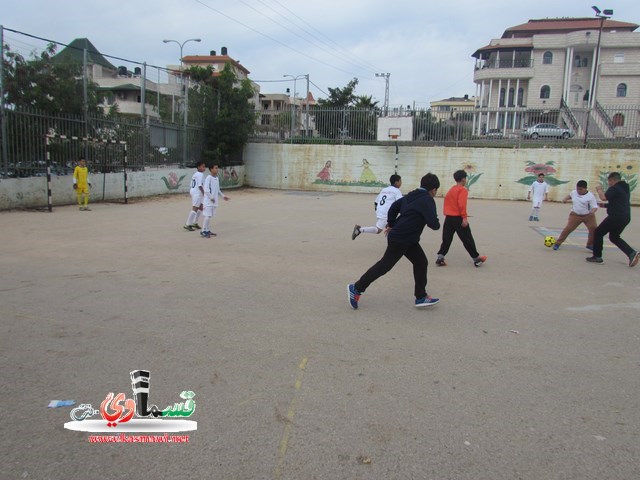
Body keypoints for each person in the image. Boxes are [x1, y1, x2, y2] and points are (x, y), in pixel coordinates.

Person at [347, 173, 441, 309]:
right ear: (433, 189)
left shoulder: (410, 195)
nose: (435, 193)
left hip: (408, 239)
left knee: (421, 262)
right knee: (384, 266)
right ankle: (356, 288)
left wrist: (391, 224)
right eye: (435, 191)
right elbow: (434, 224)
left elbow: (394, 208)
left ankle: (421, 297)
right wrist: (434, 219)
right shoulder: (427, 200)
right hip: (401, 238)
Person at [435, 170, 487, 267]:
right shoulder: (462, 190)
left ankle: (440, 257)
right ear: (463, 179)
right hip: (457, 218)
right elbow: (462, 205)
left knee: (446, 239)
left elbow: (447, 202)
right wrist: (464, 218)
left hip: (449, 218)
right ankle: (476, 259)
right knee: (467, 238)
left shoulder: (452, 189)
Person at [587, 171, 639, 266]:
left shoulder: (614, 188)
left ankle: (597, 257)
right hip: (625, 217)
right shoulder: (625, 188)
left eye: (609, 181)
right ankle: (631, 253)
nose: (609, 184)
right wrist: (603, 205)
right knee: (614, 237)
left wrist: (599, 190)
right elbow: (617, 203)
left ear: (613, 180)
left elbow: (603, 197)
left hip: (615, 217)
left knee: (598, 232)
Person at [352, 174, 403, 240]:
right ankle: (359, 229)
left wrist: (378, 211)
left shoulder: (384, 189)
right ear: (396, 182)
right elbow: (401, 202)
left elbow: (376, 202)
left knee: (390, 227)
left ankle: (394, 241)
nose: (401, 183)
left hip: (380, 211)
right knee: (378, 230)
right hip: (386, 213)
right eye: (400, 181)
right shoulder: (397, 191)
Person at [552, 180, 598, 251]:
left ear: (585, 188)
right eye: (577, 189)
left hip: (588, 215)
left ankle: (590, 245)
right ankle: (558, 243)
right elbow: (570, 195)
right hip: (575, 215)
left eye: (581, 189)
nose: (579, 191)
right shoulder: (574, 192)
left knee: (593, 229)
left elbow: (594, 207)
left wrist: (591, 213)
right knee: (568, 229)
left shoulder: (590, 196)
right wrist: (565, 199)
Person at [201, 164, 230, 238]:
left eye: (217, 168)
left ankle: (207, 230)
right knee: (207, 216)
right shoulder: (208, 178)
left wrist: (223, 196)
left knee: (210, 216)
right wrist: (211, 198)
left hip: (213, 201)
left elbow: (218, 190)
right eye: (215, 168)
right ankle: (203, 231)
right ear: (211, 169)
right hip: (208, 201)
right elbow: (206, 190)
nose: (217, 169)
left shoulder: (216, 178)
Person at [184, 161, 206, 231]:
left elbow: (192, 184)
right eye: (203, 166)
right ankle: (188, 224)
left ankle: (194, 223)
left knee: (201, 207)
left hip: (194, 190)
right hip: (197, 192)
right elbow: (200, 185)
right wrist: (204, 193)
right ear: (198, 167)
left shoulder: (195, 174)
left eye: (204, 166)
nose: (204, 168)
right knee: (195, 208)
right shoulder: (200, 174)